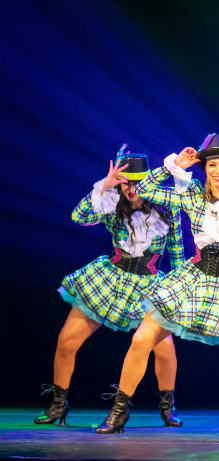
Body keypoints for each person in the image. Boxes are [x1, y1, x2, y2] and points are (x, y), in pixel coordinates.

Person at [95, 134, 219, 435]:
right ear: (205, 166)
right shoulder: (192, 195)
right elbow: (145, 189)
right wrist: (174, 165)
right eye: (212, 164)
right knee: (142, 339)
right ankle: (118, 412)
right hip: (194, 279)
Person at [36, 149, 184, 427]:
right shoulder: (112, 204)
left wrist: (178, 292)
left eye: (137, 183)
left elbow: (177, 256)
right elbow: (78, 217)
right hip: (110, 280)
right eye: (126, 182)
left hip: (148, 286)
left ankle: (167, 407)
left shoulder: (168, 212)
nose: (131, 189)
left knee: (165, 351)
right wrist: (105, 185)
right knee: (66, 341)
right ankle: (58, 405)